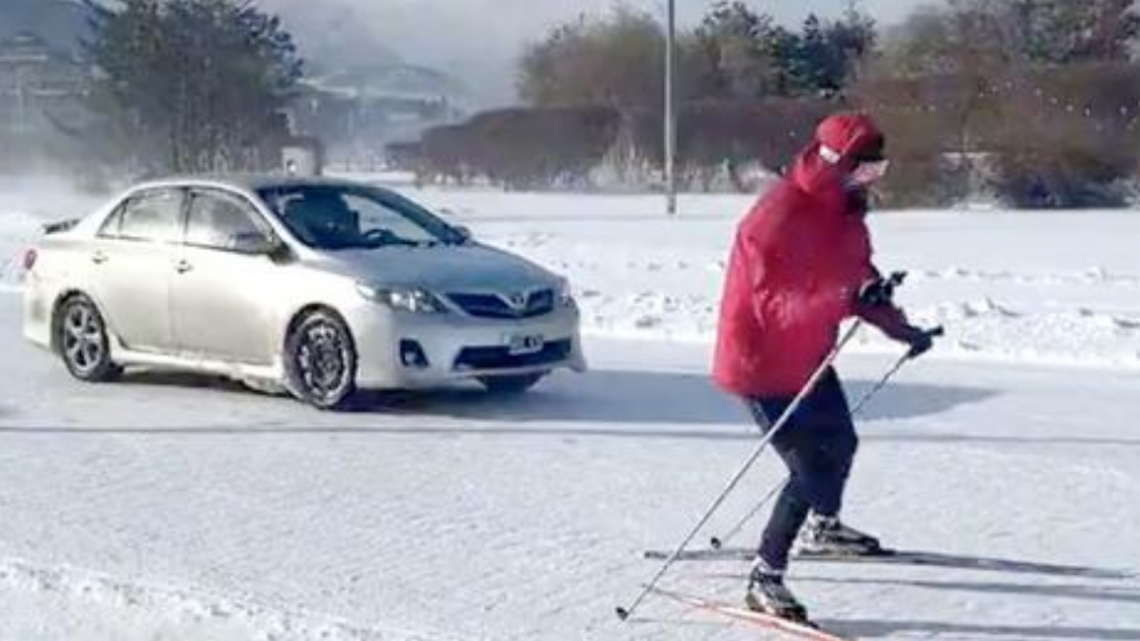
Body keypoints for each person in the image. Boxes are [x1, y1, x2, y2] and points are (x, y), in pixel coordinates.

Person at [711, 112, 936, 622]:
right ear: (835, 162)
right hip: (760, 363)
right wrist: (846, 296)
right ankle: (765, 577)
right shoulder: (777, 215)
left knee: (843, 444)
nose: (870, 183)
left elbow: (857, 277)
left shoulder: (845, 214)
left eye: (878, 172)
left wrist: (898, 326)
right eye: (864, 171)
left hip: (808, 357)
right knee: (809, 467)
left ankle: (823, 526)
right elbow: (775, 304)